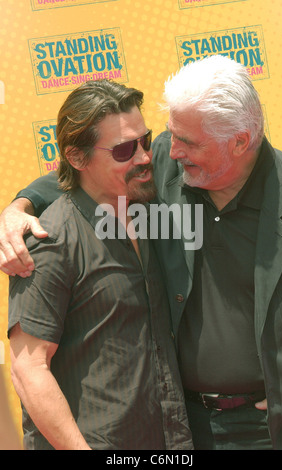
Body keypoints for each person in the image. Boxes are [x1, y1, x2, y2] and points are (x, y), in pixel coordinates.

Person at [1, 55, 282, 450]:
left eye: (186, 142)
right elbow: (90, 176)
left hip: (267, 427)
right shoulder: (162, 166)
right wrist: (20, 205)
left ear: (240, 140)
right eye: (168, 136)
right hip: (184, 426)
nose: (165, 152)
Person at [6, 79, 193, 450]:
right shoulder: (51, 239)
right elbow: (29, 369)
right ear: (77, 158)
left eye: (145, 140)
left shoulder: (148, 209)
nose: (143, 157)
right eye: (124, 149)